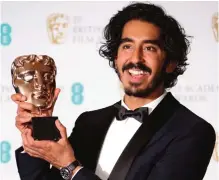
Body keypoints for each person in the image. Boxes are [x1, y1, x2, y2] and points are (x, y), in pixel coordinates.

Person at [11, 2, 216, 180]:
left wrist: (71, 168)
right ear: (115, 58)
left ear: (170, 63)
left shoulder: (192, 131)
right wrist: (40, 125)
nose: (136, 58)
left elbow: (69, 170)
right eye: (127, 46)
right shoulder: (89, 122)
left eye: (149, 48)